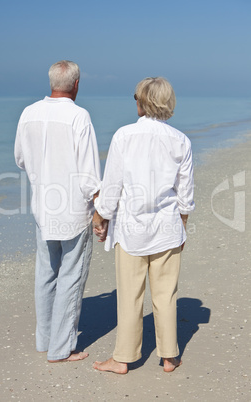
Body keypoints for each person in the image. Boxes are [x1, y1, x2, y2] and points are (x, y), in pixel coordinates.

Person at [92, 77, 195, 374]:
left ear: (142, 101)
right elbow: (185, 193)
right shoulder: (181, 140)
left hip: (131, 229)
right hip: (167, 228)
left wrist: (101, 218)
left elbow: (112, 185)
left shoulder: (124, 136)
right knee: (166, 294)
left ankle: (123, 359)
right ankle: (168, 357)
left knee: (129, 295)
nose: (134, 100)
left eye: (135, 96)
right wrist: (183, 225)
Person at [14, 60, 101, 363]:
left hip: (43, 206)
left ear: (50, 81)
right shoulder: (79, 116)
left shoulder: (28, 113)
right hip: (74, 209)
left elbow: (21, 159)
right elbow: (90, 174)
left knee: (46, 274)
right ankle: (61, 349)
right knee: (71, 276)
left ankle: (45, 340)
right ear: (77, 84)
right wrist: (100, 209)